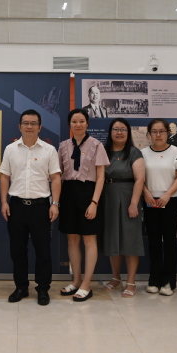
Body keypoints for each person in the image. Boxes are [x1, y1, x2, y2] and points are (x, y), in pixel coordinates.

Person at [0, 109, 62, 306]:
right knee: (17, 250)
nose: (29, 126)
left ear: (39, 127)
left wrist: (55, 203)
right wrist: (4, 202)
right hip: (16, 206)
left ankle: (43, 289)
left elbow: (55, 178)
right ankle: (21, 287)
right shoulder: (10, 149)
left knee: (43, 251)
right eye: (25, 123)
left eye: (33, 123)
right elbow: (4, 177)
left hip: (40, 207)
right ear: (19, 126)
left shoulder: (49, 150)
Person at [57, 108, 109, 302]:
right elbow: (58, 174)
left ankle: (87, 284)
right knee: (72, 238)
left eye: (81, 121)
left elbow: (101, 176)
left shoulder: (97, 145)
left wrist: (94, 202)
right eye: (74, 121)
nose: (78, 125)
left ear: (87, 123)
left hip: (89, 193)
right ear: (69, 124)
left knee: (89, 239)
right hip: (68, 193)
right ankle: (76, 280)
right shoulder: (63, 146)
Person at [142, 118, 177, 296]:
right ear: (149, 134)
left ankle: (169, 282)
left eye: (162, 131)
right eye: (154, 131)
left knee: (169, 242)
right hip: (149, 201)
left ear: (168, 133)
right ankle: (154, 280)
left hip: (169, 201)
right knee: (153, 242)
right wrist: (146, 192)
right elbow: (139, 177)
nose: (158, 135)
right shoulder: (143, 153)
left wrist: (167, 194)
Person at [101, 118, 145, 298]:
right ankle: (116, 277)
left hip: (128, 196)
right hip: (108, 197)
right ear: (110, 132)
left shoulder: (134, 152)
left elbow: (140, 179)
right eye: (116, 129)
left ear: (128, 133)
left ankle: (131, 281)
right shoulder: (103, 151)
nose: (119, 132)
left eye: (123, 129)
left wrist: (134, 203)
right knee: (112, 238)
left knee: (130, 239)